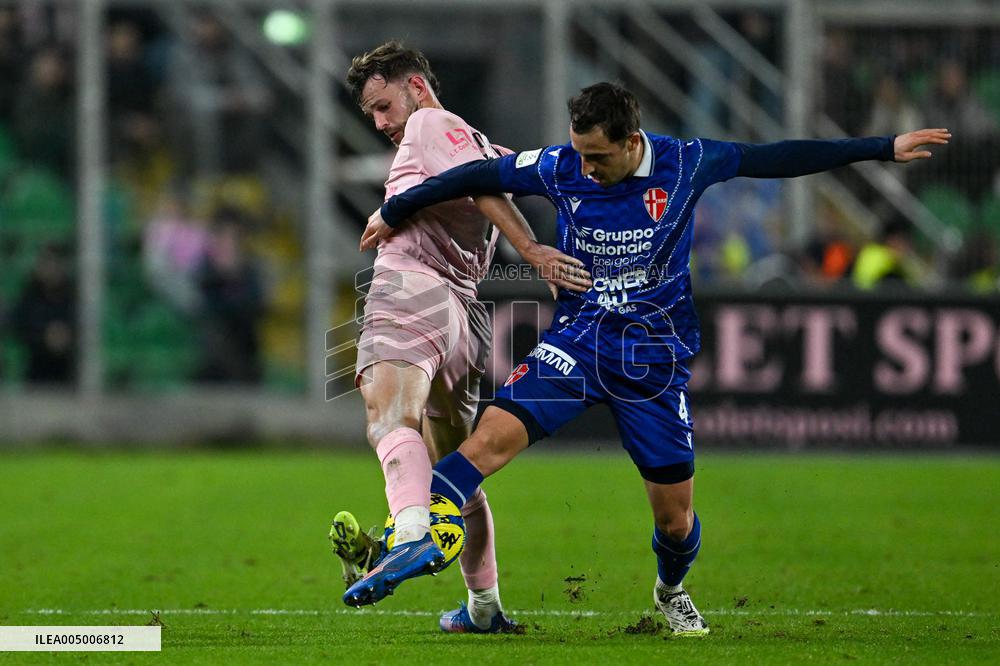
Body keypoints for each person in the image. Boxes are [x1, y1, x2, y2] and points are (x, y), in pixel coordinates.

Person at [349, 82, 949, 634]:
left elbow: (778, 157)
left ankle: (670, 590)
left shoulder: (688, 162)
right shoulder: (560, 166)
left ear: (632, 142)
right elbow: (473, 174)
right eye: (580, 153)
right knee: (475, 452)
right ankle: (421, 545)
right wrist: (395, 210)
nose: (586, 167)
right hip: (576, 344)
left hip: (651, 361)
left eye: (599, 157)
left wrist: (881, 147)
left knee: (675, 522)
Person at [332, 42, 590, 634]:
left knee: (389, 418)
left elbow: (478, 189)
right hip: (464, 319)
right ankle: (483, 607)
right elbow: (511, 180)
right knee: (455, 469)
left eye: (383, 105)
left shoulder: (428, 122)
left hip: (411, 291)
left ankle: (411, 536)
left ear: (417, 86)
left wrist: (530, 253)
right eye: (371, 114)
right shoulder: (480, 144)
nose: (381, 124)